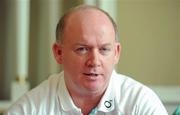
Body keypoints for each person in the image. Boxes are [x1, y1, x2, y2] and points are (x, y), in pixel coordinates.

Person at [4, 5, 168, 115]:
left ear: (116, 53)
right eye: (82, 49)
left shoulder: (140, 103)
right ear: (59, 53)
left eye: (104, 49)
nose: (94, 61)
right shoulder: (31, 108)